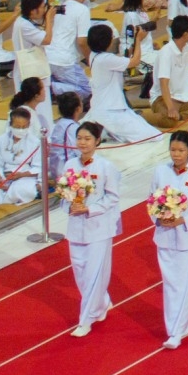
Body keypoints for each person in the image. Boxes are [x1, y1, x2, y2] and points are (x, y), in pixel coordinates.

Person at [150, 128, 188, 348]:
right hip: (164, 237)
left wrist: (182, 221)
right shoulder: (160, 172)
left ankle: (175, 331)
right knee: (171, 284)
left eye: (181, 150)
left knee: (184, 284)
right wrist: (159, 218)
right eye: (173, 150)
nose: (176, 154)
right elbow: (151, 201)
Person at [64, 120, 121, 336]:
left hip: (99, 228)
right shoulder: (70, 166)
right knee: (80, 272)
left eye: (87, 139)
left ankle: (86, 319)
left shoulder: (106, 167)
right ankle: (102, 301)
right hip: (75, 227)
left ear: (97, 141)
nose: (83, 143)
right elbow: (63, 194)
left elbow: (113, 198)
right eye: (80, 138)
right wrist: (69, 205)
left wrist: (90, 209)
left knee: (94, 274)